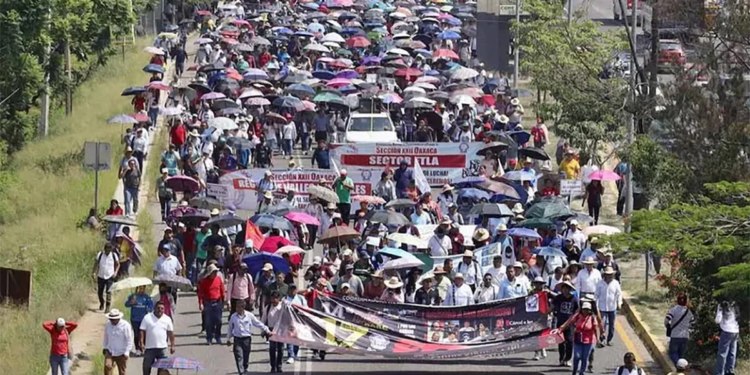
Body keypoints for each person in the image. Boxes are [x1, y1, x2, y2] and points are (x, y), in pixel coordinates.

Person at [226, 300, 272, 375]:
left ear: (243, 308)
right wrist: (228, 339)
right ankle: (241, 372)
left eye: (238, 307)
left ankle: (245, 368)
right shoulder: (233, 317)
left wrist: (267, 330)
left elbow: (258, 323)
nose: (237, 309)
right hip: (237, 339)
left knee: (246, 356)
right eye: (236, 307)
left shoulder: (249, 315)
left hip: (247, 339)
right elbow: (230, 328)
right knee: (238, 356)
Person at [557, 301, 603, 375]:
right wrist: (561, 328)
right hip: (578, 339)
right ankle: (574, 371)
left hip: (589, 341)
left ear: (590, 310)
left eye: (587, 309)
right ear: (581, 309)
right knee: (577, 357)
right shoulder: (577, 316)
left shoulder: (592, 318)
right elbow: (569, 322)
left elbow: (595, 329)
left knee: (584, 358)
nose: (585, 311)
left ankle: (582, 372)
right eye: (584, 309)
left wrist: (597, 340)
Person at [139, 301, 175, 375]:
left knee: (163, 370)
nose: (160, 310)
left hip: (162, 349)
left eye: (162, 308)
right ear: (154, 308)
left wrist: (172, 345)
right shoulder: (147, 317)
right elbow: (142, 330)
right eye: (158, 308)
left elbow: (171, 333)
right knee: (146, 367)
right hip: (150, 348)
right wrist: (141, 342)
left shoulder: (167, 319)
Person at [198, 264, 226, 345]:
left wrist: (224, 301)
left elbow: (222, 290)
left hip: (217, 302)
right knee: (208, 322)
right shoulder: (204, 281)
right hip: (208, 303)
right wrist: (200, 303)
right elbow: (200, 293)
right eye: (214, 272)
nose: (215, 273)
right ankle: (209, 338)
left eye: (216, 272)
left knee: (219, 321)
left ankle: (218, 336)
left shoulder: (218, 279)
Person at [552, 280, 578, 366]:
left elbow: (576, 311)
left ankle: (568, 358)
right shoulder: (558, 298)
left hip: (570, 324)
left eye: (567, 288)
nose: (565, 290)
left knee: (570, 341)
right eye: (564, 288)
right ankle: (561, 359)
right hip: (560, 322)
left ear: (570, 289)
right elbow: (552, 307)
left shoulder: (574, 299)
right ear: (562, 289)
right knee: (561, 342)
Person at [664, 293, 694, 366]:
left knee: (673, 353)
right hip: (685, 336)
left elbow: (667, 320)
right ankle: (681, 367)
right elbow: (692, 324)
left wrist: (668, 326)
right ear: (686, 301)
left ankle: (678, 366)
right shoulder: (689, 312)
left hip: (675, 335)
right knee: (681, 355)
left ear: (677, 300)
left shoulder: (673, 310)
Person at [594, 267, 622, 346]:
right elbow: (596, 295)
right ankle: (602, 339)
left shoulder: (615, 283)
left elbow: (619, 294)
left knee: (612, 325)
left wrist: (619, 303)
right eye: (607, 275)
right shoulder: (600, 283)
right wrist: (595, 306)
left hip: (612, 307)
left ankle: (609, 339)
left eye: (610, 275)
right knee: (603, 324)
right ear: (604, 275)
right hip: (602, 307)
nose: (609, 276)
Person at [102, 309, 133, 375]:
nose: (112, 321)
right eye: (111, 319)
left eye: (114, 319)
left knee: (122, 372)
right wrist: (105, 347)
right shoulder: (108, 324)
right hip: (110, 351)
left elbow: (129, 340)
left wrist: (127, 352)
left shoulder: (125, 325)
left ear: (119, 318)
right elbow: (106, 336)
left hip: (121, 353)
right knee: (107, 367)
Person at [125, 286, 154, 356]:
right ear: (137, 289)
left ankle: (143, 348)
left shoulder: (147, 297)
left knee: (144, 334)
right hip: (134, 318)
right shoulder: (133, 296)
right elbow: (126, 304)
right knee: (136, 334)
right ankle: (137, 349)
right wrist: (131, 303)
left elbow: (151, 306)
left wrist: (148, 309)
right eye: (140, 288)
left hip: (144, 319)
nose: (142, 290)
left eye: (143, 288)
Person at [714, 300, 740, 375]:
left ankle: (719, 373)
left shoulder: (722, 305)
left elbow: (717, 320)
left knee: (722, 354)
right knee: (732, 352)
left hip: (726, 330)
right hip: (735, 330)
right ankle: (729, 371)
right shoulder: (735, 303)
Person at [93, 243, 120, 312]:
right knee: (100, 292)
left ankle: (107, 307)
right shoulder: (100, 254)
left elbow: (118, 264)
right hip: (101, 276)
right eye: (106, 250)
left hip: (110, 276)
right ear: (104, 249)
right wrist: (94, 272)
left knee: (109, 291)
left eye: (109, 250)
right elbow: (96, 264)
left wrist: (115, 272)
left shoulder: (114, 255)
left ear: (111, 250)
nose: (107, 251)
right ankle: (102, 303)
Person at [263, 291, 285, 372]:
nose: (273, 300)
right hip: (271, 330)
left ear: (278, 298)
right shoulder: (268, 307)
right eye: (272, 298)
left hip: (280, 330)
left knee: (280, 349)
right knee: (272, 349)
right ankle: (273, 366)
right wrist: (263, 330)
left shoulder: (282, 307)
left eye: (275, 298)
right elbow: (263, 319)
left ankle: (279, 366)